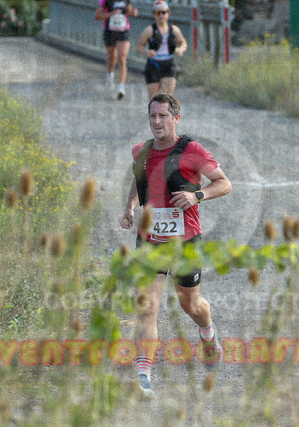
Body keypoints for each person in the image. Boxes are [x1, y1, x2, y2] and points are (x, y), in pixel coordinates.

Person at [118, 93, 232, 398]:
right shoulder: (141, 152)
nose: (156, 122)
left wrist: (197, 196)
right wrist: (130, 206)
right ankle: (144, 375)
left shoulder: (192, 150)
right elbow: (138, 179)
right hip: (150, 241)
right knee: (148, 308)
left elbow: (224, 183)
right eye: (152, 116)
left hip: (185, 242)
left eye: (163, 116)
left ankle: (208, 334)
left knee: (190, 306)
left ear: (176, 119)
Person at [136, 1, 188, 100]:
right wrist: (147, 52)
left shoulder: (174, 30)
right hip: (153, 64)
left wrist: (180, 49)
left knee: (167, 97)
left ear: (168, 14)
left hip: (169, 64)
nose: (161, 15)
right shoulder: (149, 30)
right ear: (154, 14)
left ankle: (167, 110)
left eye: (163, 12)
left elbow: (183, 43)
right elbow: (139, 46)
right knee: (154, 99)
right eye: (158, 13)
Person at [95, 0, 138, 100]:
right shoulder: (105, 1)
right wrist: (111, 14)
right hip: (109, 31)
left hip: (123, 31)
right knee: (112, 57)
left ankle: (121, 88)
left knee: (122, 59)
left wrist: (134, 13)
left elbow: (129, 12)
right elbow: (97, 16)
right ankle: (110, 75)